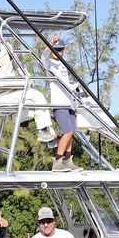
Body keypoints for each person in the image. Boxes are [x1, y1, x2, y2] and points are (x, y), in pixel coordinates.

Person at [41, 35, 83, 172]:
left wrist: (76, 86)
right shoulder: (50, 65)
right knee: (67, 131)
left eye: (60, 50)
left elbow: (66, 85)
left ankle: (68, 160)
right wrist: (50, 43)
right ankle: (57, 161)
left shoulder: (64, 65)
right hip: (60, 104)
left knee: (72, 133)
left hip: (70, 103)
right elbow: (43, 57)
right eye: (56, 49)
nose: (58, 52)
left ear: (64, 50)